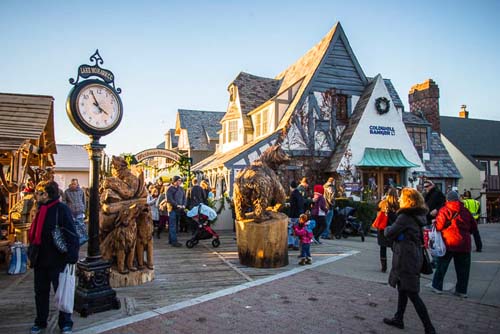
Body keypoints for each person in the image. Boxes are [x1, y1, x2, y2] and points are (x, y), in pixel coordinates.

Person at [29, 181, 79, 334]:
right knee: (40, 292)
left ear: (47, 194)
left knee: (62, 292)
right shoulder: (39, 209)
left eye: (40, 193)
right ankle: (40, 321)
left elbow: (72, 235)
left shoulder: (61, 209)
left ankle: (65, 322)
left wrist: (71, 257)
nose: (37, 196)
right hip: (40, 259)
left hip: (58, 259)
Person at [384, 187, 436, 334]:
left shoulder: (405, 217)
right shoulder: (418, 215)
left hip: (406, 257)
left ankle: (429, 327)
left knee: (412, 292)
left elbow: (390, 232)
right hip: (413, 254)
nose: (399, 199)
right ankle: (398, 318)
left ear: (407, 200)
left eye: (401, 197)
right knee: (403, 289)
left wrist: (387, 229)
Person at [431, 191, 477, 298]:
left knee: (442, 266)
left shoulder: (444, 210)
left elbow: (439, 226)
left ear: (447, 200)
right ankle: (461, 291)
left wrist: (435, 222)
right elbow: (474, 227)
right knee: (463, 270)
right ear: (458, 199)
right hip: (464, 243)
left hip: (448, 243)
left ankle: (437, 287)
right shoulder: (465, 210)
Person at [376, 187, 399, 272]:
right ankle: (396, 265)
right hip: (394, 228)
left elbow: (377, 208)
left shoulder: (384, 203)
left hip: (383, 228)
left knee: (383, 247)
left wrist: (381, 200)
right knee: (395, 248)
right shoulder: (398, 204)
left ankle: (384, 267)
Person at [166, 176, 185, 247]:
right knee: (172, 225)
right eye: (178, 180)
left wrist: (184, 205)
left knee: (176, 225)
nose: (180, 182)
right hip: (172, 209)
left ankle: (171, 239)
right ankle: (174, 241)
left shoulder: (181, 189)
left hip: (179, 210)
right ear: (174, 181)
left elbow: (184, 197)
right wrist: (177, 205)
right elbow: (169, 199)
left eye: (180, 180)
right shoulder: (170, 189)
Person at [288, 181, 304, 250]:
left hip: (293, 215)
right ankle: (296, 245)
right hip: (299, 214)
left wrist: (290, 216)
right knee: (297, 230)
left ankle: (290, 243)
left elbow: (292, 206)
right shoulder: (299, 193)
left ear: (291, 187)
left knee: (290, 229)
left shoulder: (292, 194)